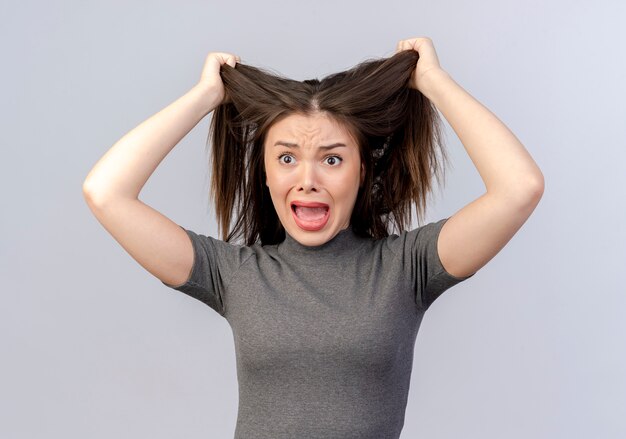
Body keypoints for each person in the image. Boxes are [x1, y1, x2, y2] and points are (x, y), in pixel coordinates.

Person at [83, 37, 544, 439]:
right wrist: (205, 96)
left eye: (331, 159)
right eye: (286, 159)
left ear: (362, 172)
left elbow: (518, 187)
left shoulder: (407, 268)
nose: (306, 180)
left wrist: (434, 82)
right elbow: (106, 193)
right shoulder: (234, 274)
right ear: (264, 173)